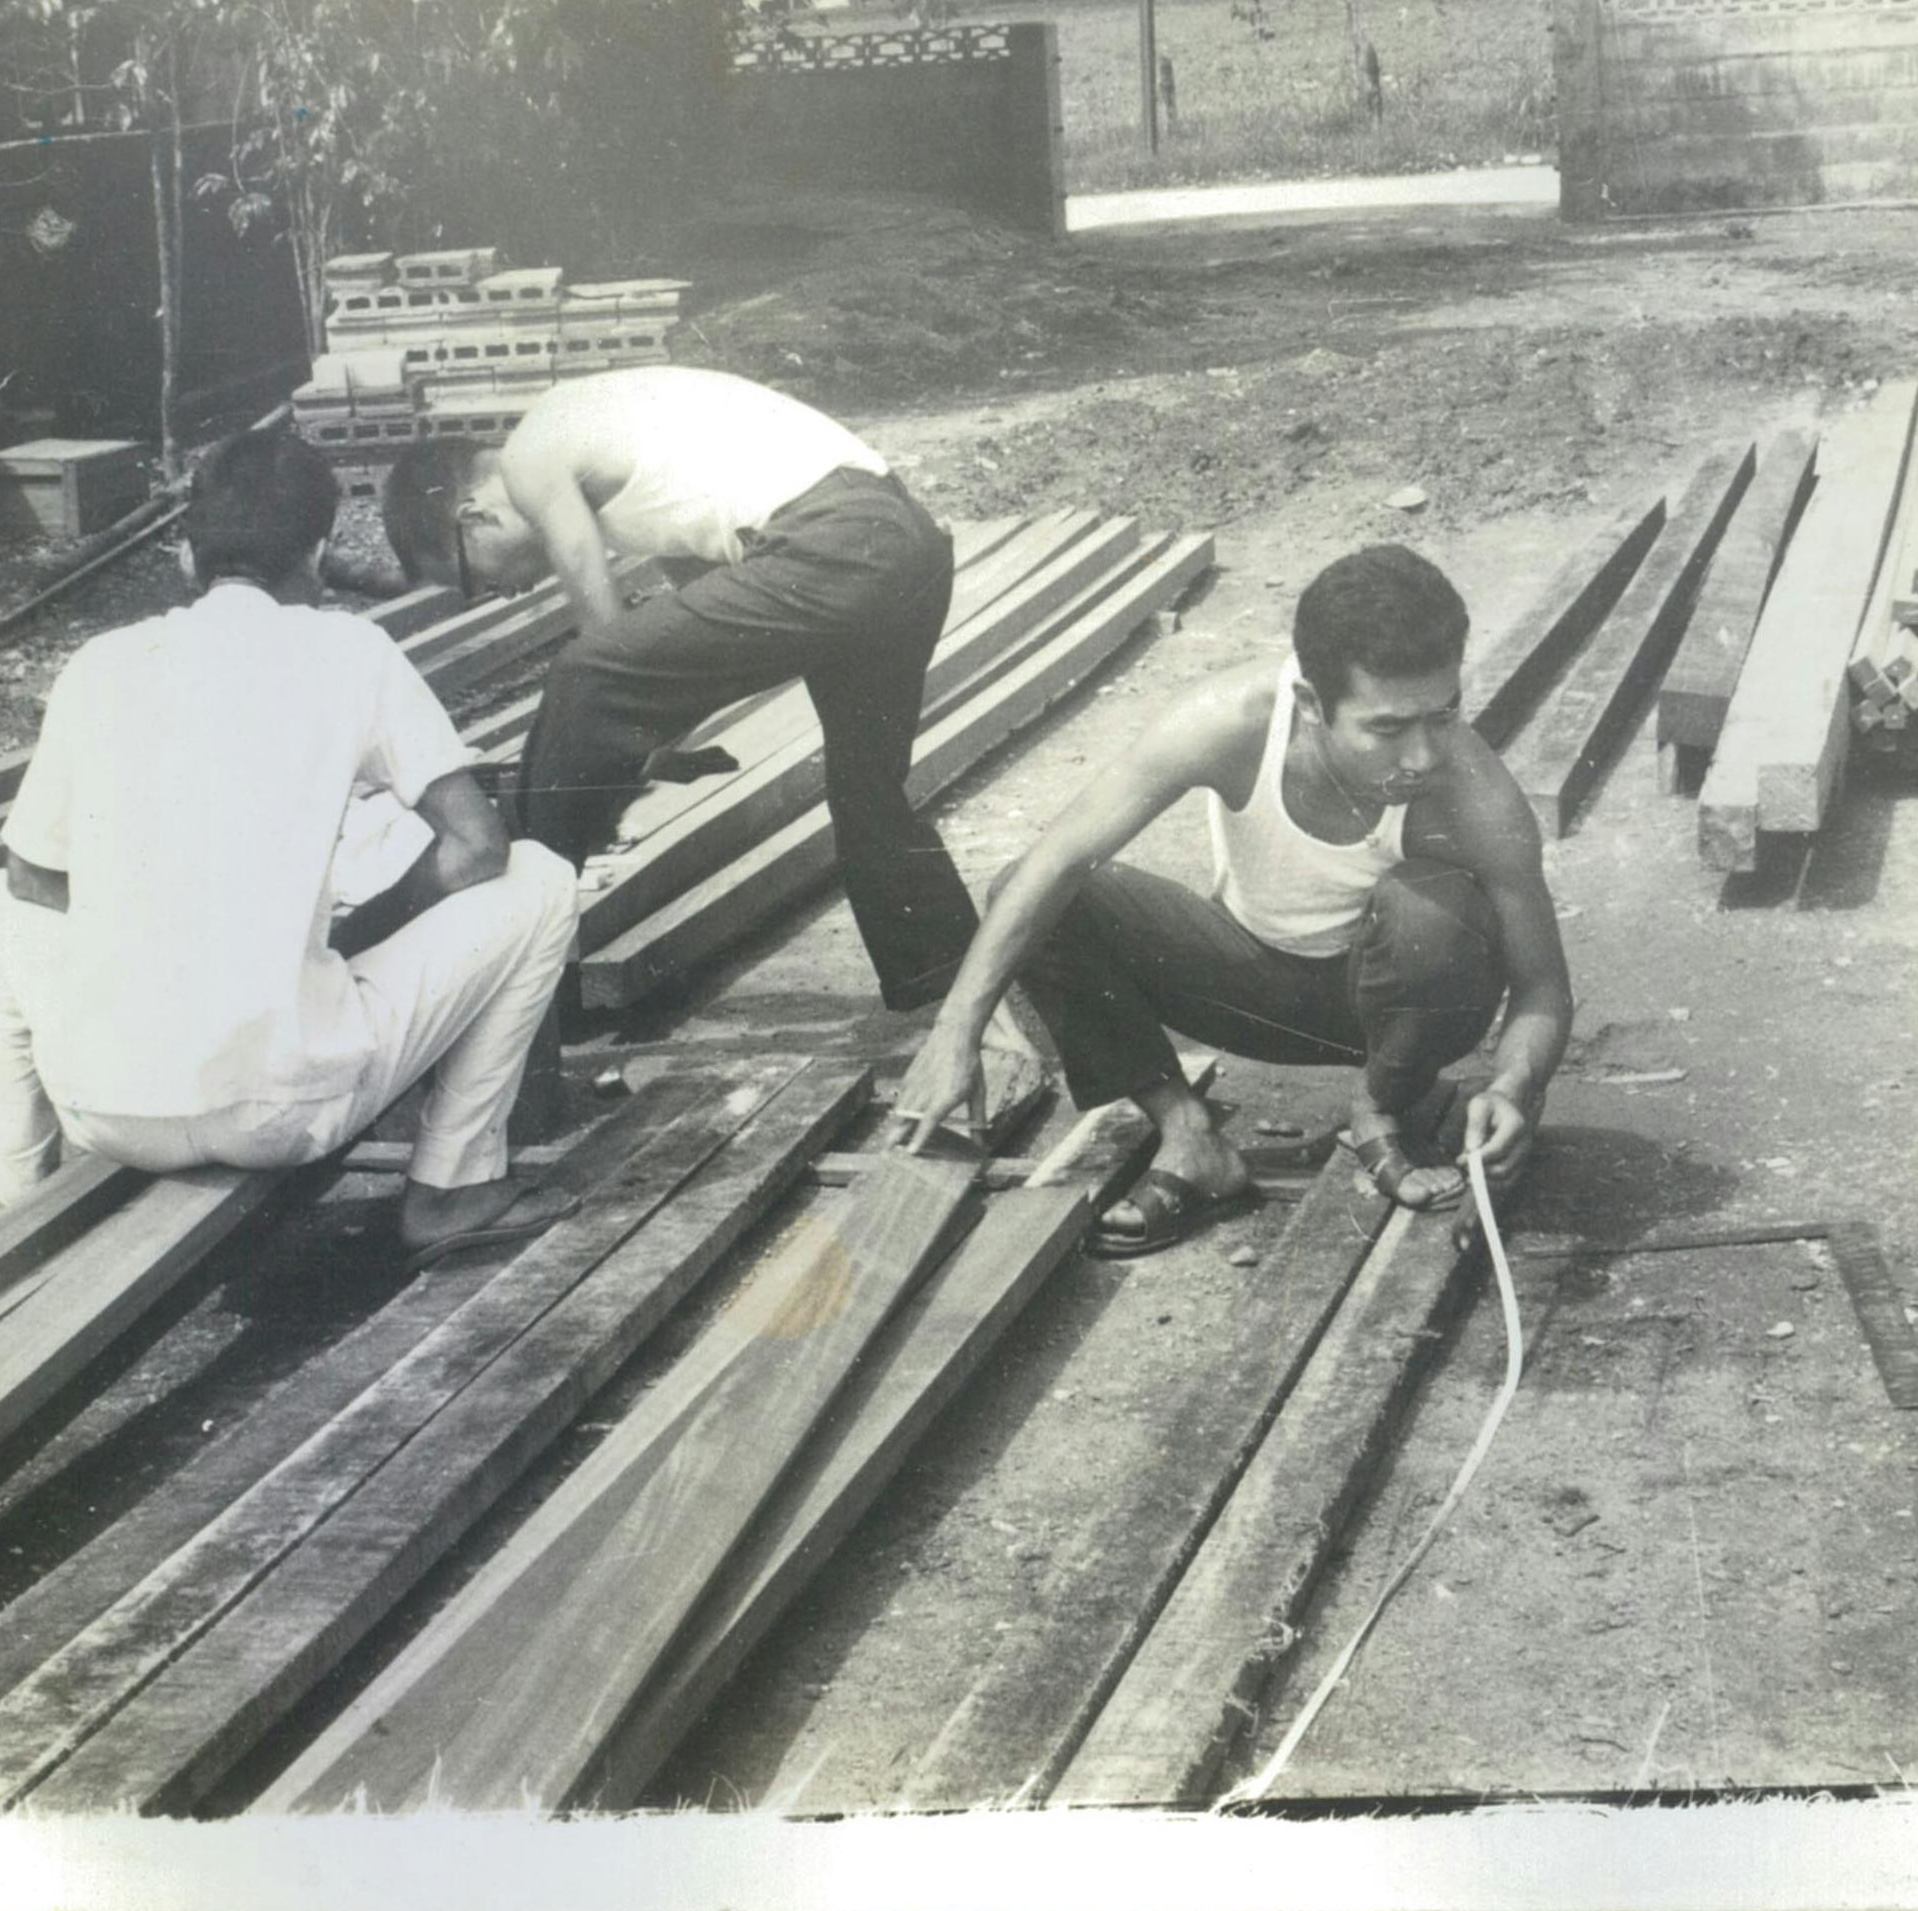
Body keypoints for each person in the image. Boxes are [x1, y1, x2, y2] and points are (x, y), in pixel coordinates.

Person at [0, 426, 581, 1256]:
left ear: (187, 555)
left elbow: (33, 881)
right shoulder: (350, 649)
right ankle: (452, 1183)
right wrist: (357, 937)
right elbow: (478, 847)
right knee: (539, 880)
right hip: (284, 1108)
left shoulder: (98, 664)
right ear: (318, 554)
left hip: (103, 1106)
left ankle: (20, 1204)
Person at [889, 544, 1573, 1250]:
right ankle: (1189, 1135)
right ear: (1311, 704)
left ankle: (1379, 1105)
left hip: (1404, 1013)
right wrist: (955, 1034)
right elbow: (1056, 858)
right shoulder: (1225, 719)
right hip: (1251, 989)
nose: (1423, 755)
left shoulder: (1477, 795)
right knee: (1033, 892)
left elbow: (1544, 986)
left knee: (1429, 911)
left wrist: (1514, 1084)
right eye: (1388, 728)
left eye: (1443, 714)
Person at [468, 363, 979, 1013]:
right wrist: (652, 741)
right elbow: (690, 641)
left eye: (474, 579)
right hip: (904, 540)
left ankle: (524, 963)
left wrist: (589, 792)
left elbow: (606, 644)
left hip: (835, 541)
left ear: (472, 518)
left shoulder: (527, 457)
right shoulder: (637, 457)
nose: (502, 593)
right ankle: (957, 997)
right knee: (867, 795)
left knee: (584, 672)